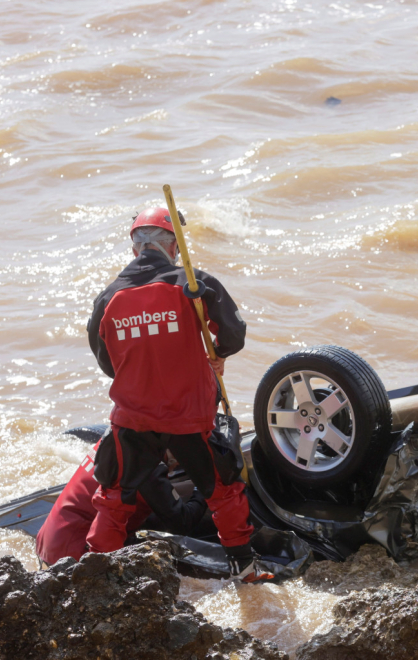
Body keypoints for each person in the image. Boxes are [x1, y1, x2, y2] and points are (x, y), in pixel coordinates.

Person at [85, 207, 271, 582]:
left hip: (132, 418)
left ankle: (95, 575)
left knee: (114, 497)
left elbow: (108, 364)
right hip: (189, 416)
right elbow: (233, 335)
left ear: (136, 250)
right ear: (173, 247)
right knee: (223, 488)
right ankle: (245, 572)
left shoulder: (108, 298)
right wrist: (216, 355)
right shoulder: (195, 285)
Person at [36, 440, 208, 566]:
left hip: (49, 540)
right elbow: (183, 521)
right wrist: (206, 486)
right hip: (74, 553)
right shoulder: (147, 465)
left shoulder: (117, 436)